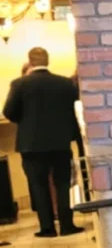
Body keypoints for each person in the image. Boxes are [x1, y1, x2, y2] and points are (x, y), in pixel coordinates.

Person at [3, 47, 85, 238]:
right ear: (47, 60)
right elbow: (73, 106)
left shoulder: (19, 84)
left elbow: (9, 112)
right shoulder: (64, 84)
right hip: (60, 142)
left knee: (38, 185)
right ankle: (67, 225)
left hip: (31, 144)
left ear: (30, 62)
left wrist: (25, 121)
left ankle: (47, 228)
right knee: (63, 183)